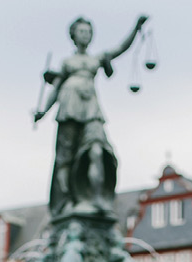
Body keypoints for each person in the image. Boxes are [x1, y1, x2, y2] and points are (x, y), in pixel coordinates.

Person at [33, 15, 147, 216]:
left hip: (91, 107)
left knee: (97, 149)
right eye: (81, 31)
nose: (85, 35)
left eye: (88, 32)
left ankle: (97, 200)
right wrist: (43, 111)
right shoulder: (67, 62)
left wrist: (137, 28)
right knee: (65, 157)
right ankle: (66, 202)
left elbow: (121, 48)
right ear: (74, 36)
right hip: (69, 105)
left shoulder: (97, 59)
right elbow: (56, 89)